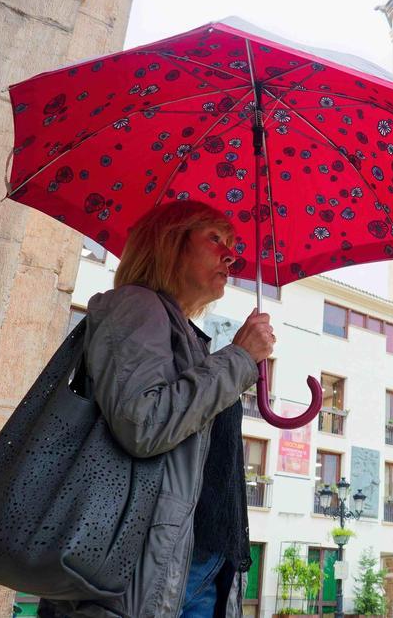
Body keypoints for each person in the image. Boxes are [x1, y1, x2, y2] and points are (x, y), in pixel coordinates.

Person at [39, 200, 275, 618]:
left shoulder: (184, 335)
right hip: (146, 575)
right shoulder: (135, 307)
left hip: (193, 566)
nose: (231, 254)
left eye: (233, 244)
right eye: (216, 239)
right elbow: (144, 424)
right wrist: (238, 358)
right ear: (170, 243)